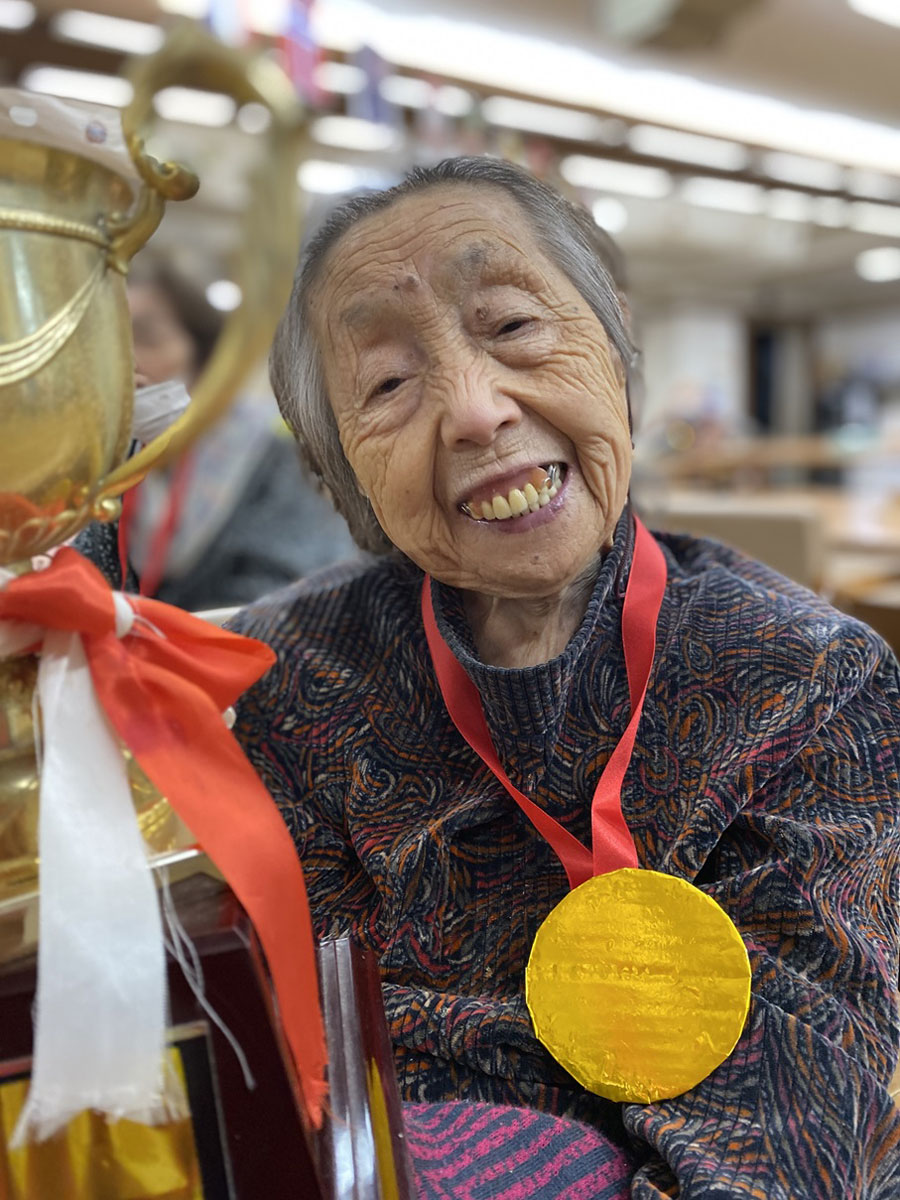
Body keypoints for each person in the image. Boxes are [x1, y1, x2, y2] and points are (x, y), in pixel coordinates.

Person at [229, 157, 900, 1197]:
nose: (474, 409)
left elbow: (803, 1117)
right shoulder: (297, 688)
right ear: (336, 470)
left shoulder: (810, 679)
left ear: (615, 338)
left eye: (510, 326)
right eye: (390, 383)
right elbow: (324, 1064)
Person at [120, 260, 357, 609]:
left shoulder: (269, 454)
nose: (127, 361)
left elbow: (297, 589)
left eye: (147, 339)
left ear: (204, 356)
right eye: (109, 342)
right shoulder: (97, 465)